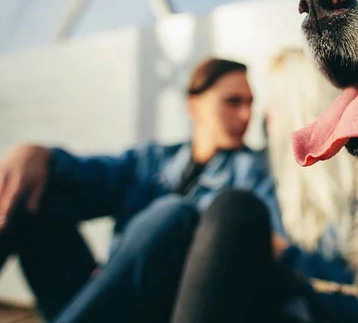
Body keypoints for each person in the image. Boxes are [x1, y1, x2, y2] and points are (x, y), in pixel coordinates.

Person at [0, 57, 291, 322]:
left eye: (250, 103)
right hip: (107, 300)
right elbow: (87, 176)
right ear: (194, 106)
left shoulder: (254, 171)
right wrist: (36, 154)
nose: (245, 115)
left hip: (173, 308)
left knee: (175, 213)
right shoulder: (151, 161)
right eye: (233, 101)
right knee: (29, 188)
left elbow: (283, 242)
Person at [170, 48, 358, 323]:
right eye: (234, 102)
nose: (257, 118)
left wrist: (284, 254)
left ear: (300, 110)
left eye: (271, 106)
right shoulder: (261, 178)